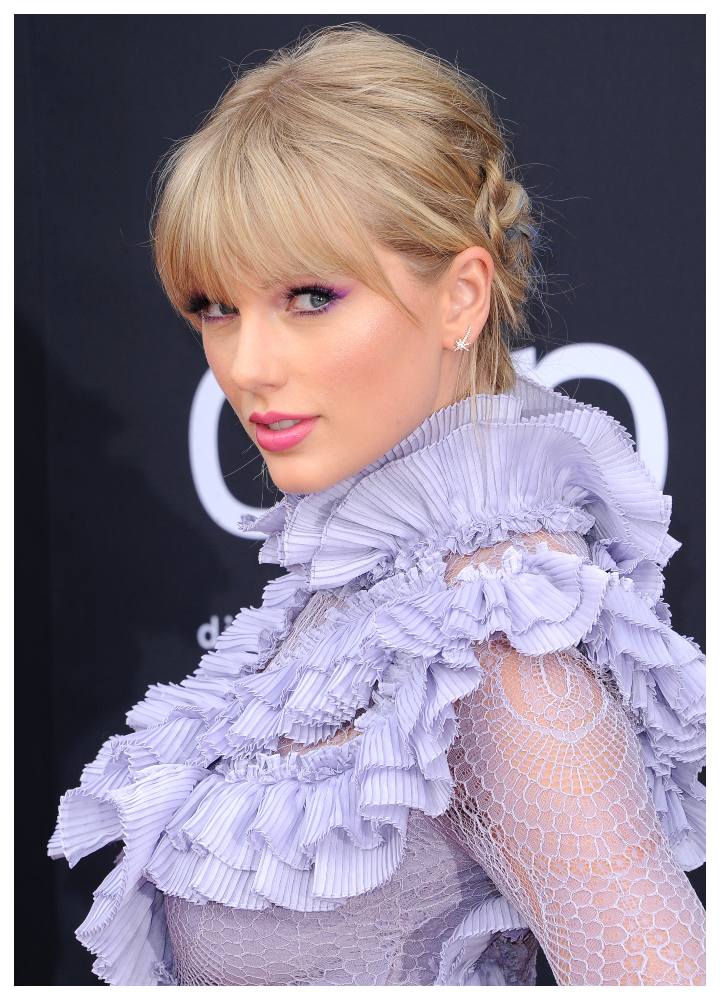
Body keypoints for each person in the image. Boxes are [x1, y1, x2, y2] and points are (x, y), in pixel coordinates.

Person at [47, 23, 706, 986]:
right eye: (215, 307)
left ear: (462, 296)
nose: (246, 365)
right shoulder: (358, 605)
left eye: (310, 296)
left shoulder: (496, 657)